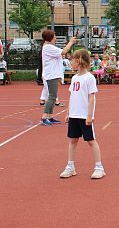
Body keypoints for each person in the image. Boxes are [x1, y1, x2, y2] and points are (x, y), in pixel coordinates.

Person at [59, 49, 105, 179]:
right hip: (74, 115)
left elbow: (91, 98)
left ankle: (99, 167)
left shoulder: (89, 78)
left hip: (84, 116)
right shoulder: (74, 78)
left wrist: (90, 115)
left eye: (72, 60)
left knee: (91, 141)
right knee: (73, 140)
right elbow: (72, 96)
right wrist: (68, 112)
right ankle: (70, 167)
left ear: (78, 61)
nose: (70, 62)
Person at [40, 30, 77, 126]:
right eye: (54, 36)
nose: (55, 37)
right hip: (50, 75)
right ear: (50, 38)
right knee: (52, 96)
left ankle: (49, 116)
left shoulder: (50, 47)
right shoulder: (48, 47)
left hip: (53, 75)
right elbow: (64, 51)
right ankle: (44, 117)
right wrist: (71, 42)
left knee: (53, 96)